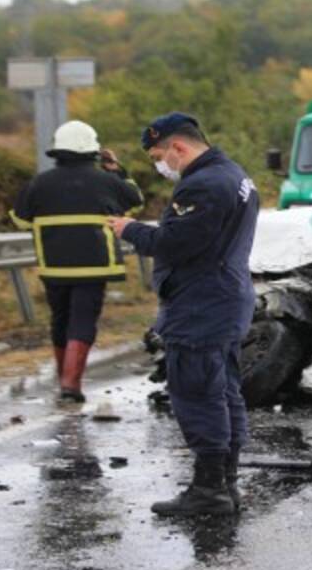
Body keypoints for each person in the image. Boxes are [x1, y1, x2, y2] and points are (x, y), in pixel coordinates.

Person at [108, 112, 259, 517]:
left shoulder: (204, 185)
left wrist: (131, 230)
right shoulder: (234, 175)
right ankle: (225, 485)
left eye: (160, 155)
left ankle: (209, 490)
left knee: (197, 394)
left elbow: (177, 244)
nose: (161, 165)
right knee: (224, 391)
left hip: (201, 303)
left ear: (178, 147)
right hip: (224, 297)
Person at [10, 121, 143, 403]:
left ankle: (64, 381)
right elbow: (136, 200)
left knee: (60, 321)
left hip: (54, 266)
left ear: (57, 150)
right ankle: (71, 385)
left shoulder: (38, 183)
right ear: (93, 151)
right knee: (83, 320)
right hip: (96, 265)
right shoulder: (107, 181)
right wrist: (118, 172)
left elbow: (19, 219)